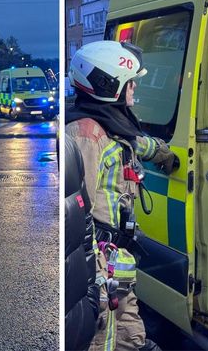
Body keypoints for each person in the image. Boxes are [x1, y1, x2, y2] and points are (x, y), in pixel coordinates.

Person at [66, 41, 177, 351]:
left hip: (117, 257)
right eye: (130, 82)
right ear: (109, 84)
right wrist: (94, 273)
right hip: (100, 261)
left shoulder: (111, 123)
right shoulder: (86, 134)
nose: (135, 88)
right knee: (102, 336)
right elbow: (76, 212)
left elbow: (134, 143)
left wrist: (164, 153)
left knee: (128, 334)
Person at [65, 137, 100, 351]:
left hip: (79, 324)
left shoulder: (71, 149)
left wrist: (90, 302)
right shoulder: (77, 143)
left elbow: (86, 225)